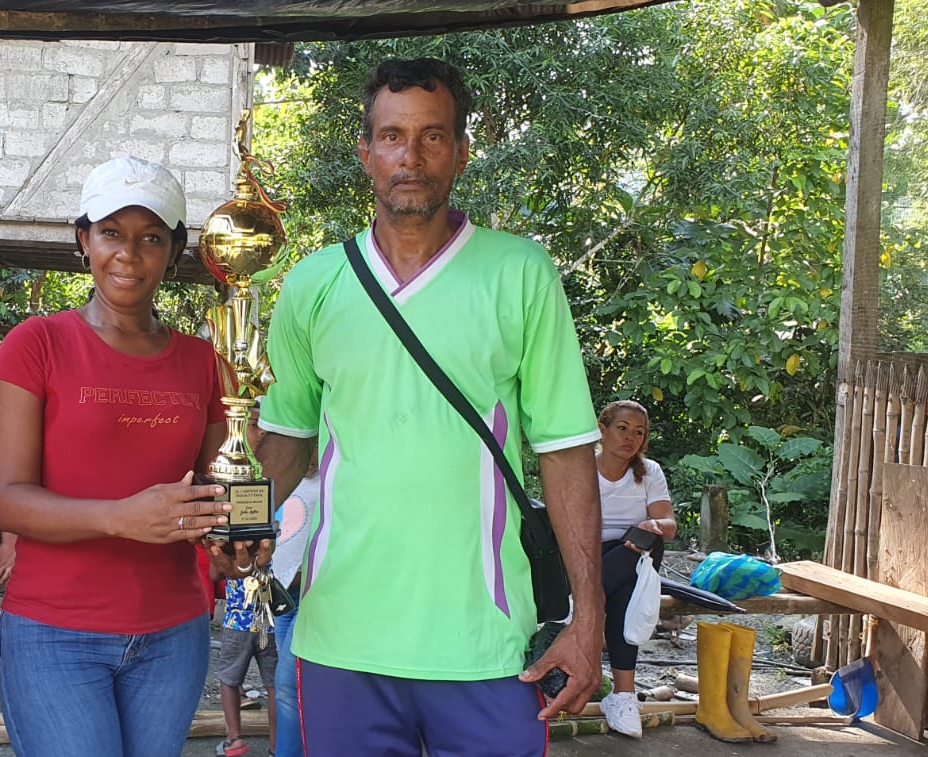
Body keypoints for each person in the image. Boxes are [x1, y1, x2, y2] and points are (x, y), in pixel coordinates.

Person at [253, 57, 606, 755]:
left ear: (462, 152)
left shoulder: (520, 272)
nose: (410, 157)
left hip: (488, 642)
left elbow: (564, 451)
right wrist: (235, 525)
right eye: (392, 136)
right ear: (365, 153)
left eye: (432, 136)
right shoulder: (314, 284)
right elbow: (286, 440)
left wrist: (588, 616)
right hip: (342, 637)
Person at [0, 155, 265, 756]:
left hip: (173, 632)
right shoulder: (36, 345)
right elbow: (6, 501)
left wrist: (241, 538)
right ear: (84, 240)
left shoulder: (204, 361)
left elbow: (220, 487)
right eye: (111, 233)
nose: (129, 255)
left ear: (175, 250)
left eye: (151, 238)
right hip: (55, 631)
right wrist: (122, 517)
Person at [594, 399, 675, 737]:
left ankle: (577, 609)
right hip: (589, 557)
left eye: (638, 433)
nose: (630, 438)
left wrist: (651, 525)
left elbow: (669, 525)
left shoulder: (649, 471)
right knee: (625, 596)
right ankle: (623, 695)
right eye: (622, 429)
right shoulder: (581, 466)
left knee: (645, 544)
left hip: (635, 554)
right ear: (603, 429)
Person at [269, 461, 318, 757]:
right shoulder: (286, 473)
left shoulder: (329, 475)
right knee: (292, 685)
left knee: (287, 684)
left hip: (313, 593)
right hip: (281, 595)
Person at [216, 576, 277, 757]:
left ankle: (234, 739)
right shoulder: (272, 556)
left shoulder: (231, 555)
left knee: (229, 681)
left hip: (237, 622)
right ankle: (277, 746)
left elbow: (215, 574)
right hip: (269, 623)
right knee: (274, 685)